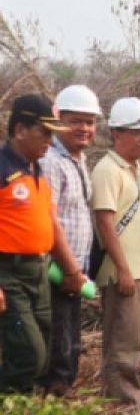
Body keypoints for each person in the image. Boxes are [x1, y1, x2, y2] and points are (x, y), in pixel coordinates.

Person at [0, 95, 87, 394]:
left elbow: (51, 225)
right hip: (9, 272)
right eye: (45, 132)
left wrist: (72, 271)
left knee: (42, 355)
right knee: (28, 352)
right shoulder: (2, 170)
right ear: (20, 129)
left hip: (38, 272)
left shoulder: (36, 169)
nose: (50, 141)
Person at [90, 96, 140, 413]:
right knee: (122, 350)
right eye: (136, 132)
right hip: (124, 274)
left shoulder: (136, 168)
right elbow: (105, 222)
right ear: (116, 133)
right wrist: (124, 270)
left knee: (135, 344)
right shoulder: (107, 170)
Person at [37, 85, 101, 396]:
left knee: (70, 341)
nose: (84, 129)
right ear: (57, 119)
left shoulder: (78, 159)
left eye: (90, 122)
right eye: (76, 121)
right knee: (58, 345)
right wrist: (71, 271)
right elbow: (49, 221)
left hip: (75, 268)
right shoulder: (50, 161)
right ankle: (52, 406)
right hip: (57, 270)